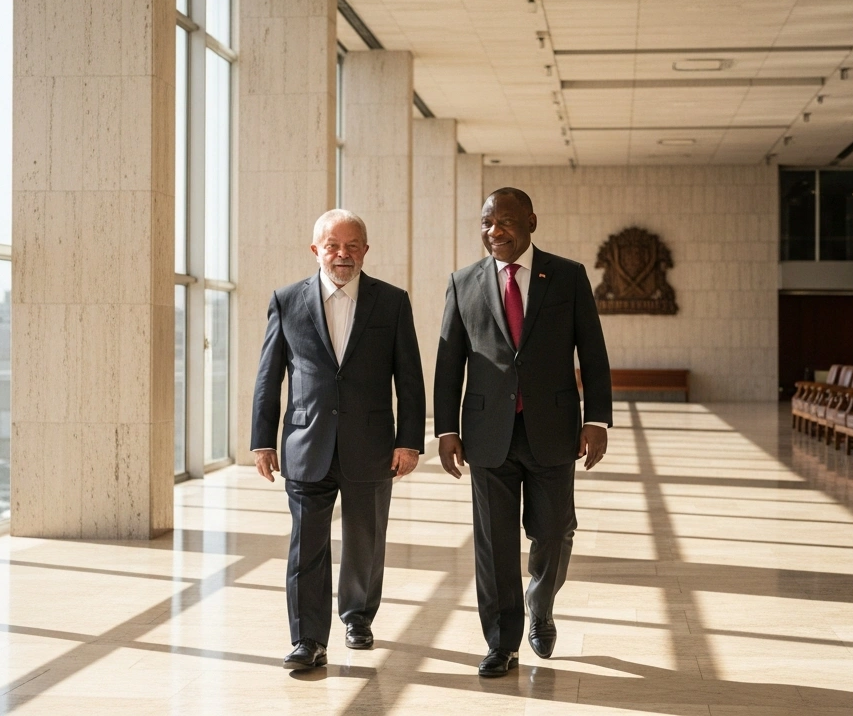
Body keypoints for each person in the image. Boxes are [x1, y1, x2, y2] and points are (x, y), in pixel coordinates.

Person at [434, 187, 612, 677]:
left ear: (532, 221)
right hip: (487, 432)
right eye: (488, 222)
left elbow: (592, 355)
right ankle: (501, 643)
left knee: (554, 530)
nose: (496, 231)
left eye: (506, 221)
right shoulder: (463, 282)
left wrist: (596, 420)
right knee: (493, 543)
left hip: (553, 428)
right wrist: (445, 429)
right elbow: (449, 363)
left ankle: (541, 600)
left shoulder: (568, 277)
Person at [250, 209, 426, 670]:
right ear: (316, 251)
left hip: (371, 444)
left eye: (352, 246)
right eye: (333, 245)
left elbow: (409, 378)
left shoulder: (391, 302)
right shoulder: (287, 300)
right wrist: (262, 441)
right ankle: (308, 640)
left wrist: (409, 441)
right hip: (306, 443)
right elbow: (269, 378)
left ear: (365, 251)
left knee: (365, 540)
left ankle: (358, 616)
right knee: (306, 546)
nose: (342, 254)